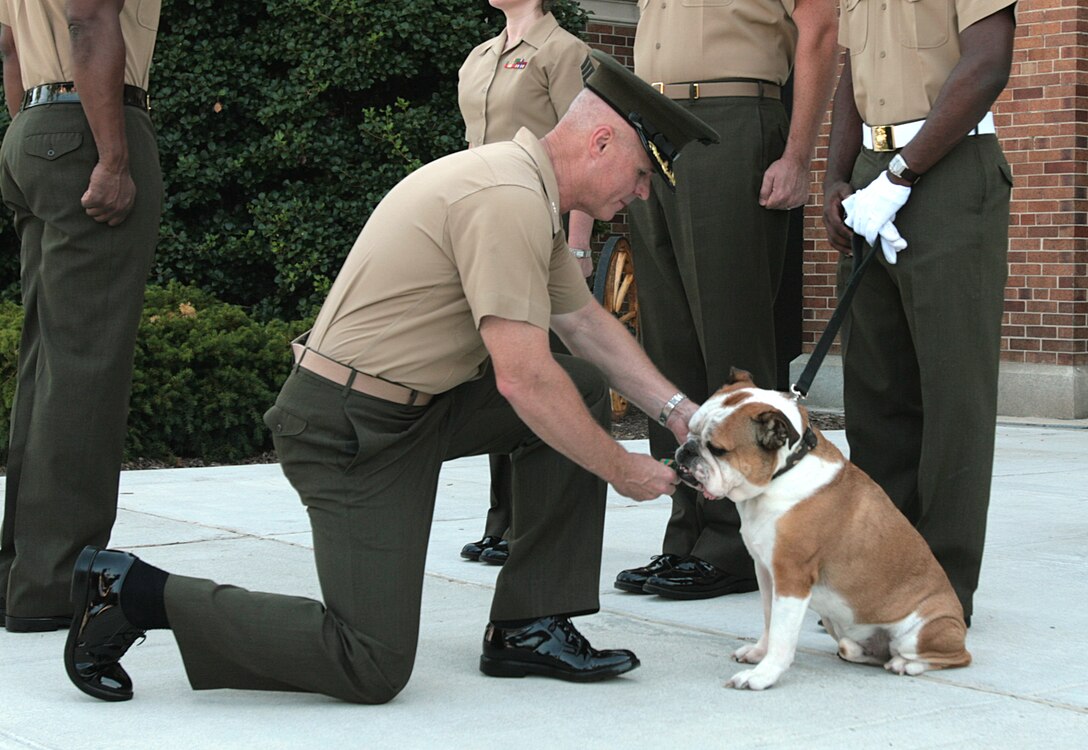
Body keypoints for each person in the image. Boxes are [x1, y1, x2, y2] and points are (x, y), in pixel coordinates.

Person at [62, 50, 719, 704]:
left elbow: (583, 324)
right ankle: (131, 592)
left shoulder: (524, 189)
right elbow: (524, 379)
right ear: (600, 141)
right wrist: (620, 468)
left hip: (416, 410)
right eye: (640, 174)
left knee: (578, 384)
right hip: (348, 429)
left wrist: (680, 413)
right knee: (370, 661)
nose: (639, 193)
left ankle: (530, 624)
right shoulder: (507, 199)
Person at [614, 0, 838, 600]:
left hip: (733, 119)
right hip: (654, 119)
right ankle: (686, 531)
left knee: (729, 336)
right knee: (669, 343)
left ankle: (734, 545)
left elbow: (819, 30)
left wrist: (797, 154)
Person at [822, 0, 1017, 626]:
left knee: (951, 392)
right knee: (877, 395)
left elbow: (987, 65)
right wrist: (836, 175)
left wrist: (901, 175)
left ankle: (941, 594)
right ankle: (882, 580)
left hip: (948, 169)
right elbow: (852, 78)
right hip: (874, 170)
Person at [0, 0, 163, 633]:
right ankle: (55, 584)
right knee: (85, 368)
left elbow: (10, 48)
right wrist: (112, 157)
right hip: (93, 122)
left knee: (46, 365)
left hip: (38, 126)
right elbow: (90, 16)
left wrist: (33, 138)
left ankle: (22, 572)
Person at [457, 0, 596, 567]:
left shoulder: (564, 52)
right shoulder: (480, 56)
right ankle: (501, 519)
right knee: (495, 368)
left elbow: (589, 147)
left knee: (539, 371)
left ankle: (533, 522)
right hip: (483, 229)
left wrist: (580, 243)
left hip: (541, 230)